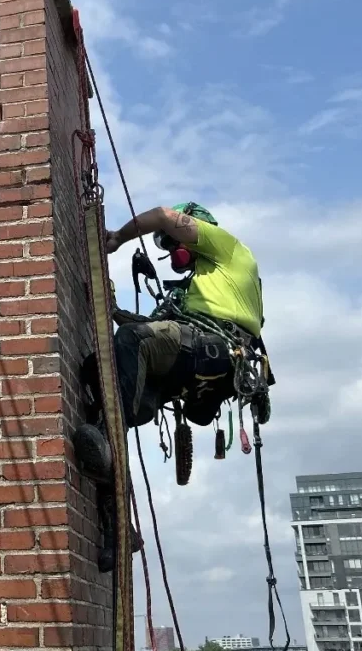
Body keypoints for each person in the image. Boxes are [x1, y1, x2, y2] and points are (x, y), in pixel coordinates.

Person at [74, 201, 267, 483]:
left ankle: (107, 439)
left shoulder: (229, 248)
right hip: (194, 357)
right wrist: (111, 307)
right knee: (99, 365)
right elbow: (152, 331)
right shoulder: (202, 286)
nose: (173, 250)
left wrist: (118, 238)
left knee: (131, 339)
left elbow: (162, 216)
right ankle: (106, 462)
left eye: (172, 242)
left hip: (214, 346)